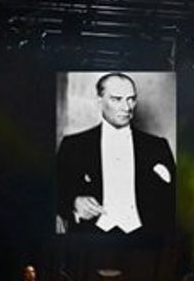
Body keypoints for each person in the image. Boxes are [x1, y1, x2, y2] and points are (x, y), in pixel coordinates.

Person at [56, 72, 176, 236]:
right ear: (99, 101)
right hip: (92, 239)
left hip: (145, 238)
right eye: (117, 99)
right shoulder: (73, 145)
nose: (127, 107)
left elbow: (174, 199)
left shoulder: (157, 146)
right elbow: (53, 193)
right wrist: (74, 203)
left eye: (131, 99)